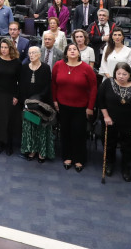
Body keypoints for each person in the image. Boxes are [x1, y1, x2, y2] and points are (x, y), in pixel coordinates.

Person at [52, 42, 97, 172]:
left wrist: (90, 107)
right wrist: (54, 100)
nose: (72, 51)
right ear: (66, 53)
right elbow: (54, 84)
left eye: (74, 49)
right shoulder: (58, 65)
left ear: (78, 52)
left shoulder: (86, 68)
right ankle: (67, 157)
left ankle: (79, 159)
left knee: (79, 133)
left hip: (81, 107)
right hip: (62, 106)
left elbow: (94, 88)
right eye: (69, 49)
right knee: (65, 132)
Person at [99, 62, 131, 182]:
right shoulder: (108, 83)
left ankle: (126, 168)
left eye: (124, 74)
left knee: (128, 147)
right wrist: (106, 116)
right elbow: (100, 101)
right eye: (118, 73)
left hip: (130, 123)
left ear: (130, 74)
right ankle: (110, 164)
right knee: (109, 144)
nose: (121, 76)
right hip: (110, 121)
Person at [19, 46, 55, 162]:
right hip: (27, 104)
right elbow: (22, 86)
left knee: (40, 127)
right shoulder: (24, 68)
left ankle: (42, 151)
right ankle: (32, 150)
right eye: (29, 53)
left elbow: (47, 87)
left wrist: (37, 101)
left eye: (34, 53)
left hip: (41, 104)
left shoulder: (45, 68)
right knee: (30, 128)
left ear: (39, 54)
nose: (31, 55)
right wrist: (26, 101)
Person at [0, 38, 22, 156]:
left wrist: (16, 96)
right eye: (1, 47)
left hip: (10, 94)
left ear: (10, 48)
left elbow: (20, 81)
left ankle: (9, 143)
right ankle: (0, 142)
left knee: (10, 121)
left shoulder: (17, 62)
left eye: (5, 47)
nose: (3, 50)